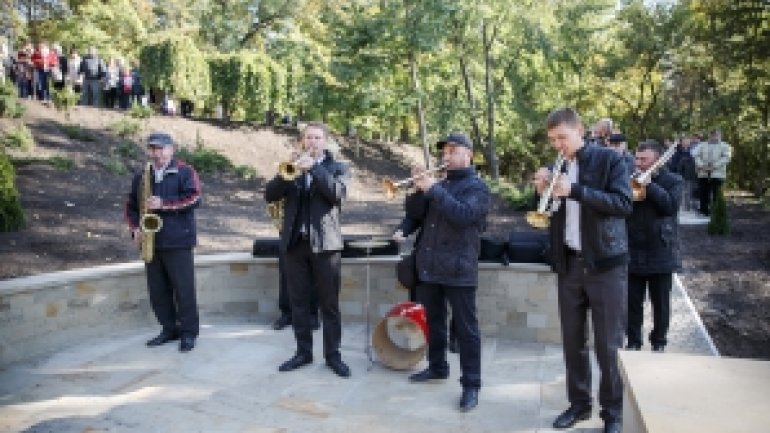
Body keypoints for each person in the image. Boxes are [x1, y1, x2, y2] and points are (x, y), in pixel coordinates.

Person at [534, 108, 631, 433]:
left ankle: (613, 414)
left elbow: (623, 203)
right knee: (573, 341)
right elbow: (549, 212)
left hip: (605, 266)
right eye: (552, 140)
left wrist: (574, 191)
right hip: (570, 264)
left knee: (608, 345)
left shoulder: (609, 160)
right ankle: (579, 405)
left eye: (562, 137)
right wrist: (541, 190)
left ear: (580, 130)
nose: (557, 145)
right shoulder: (557, 166)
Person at [396, 132, 490, 412]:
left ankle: (471, 385)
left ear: (468, 155)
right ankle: (437, 367)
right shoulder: (438, 184)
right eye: (444, 151)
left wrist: (433, 189)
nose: (445, 156)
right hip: (429, 266)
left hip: (459, 268)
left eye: (452, 150)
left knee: (466, 330)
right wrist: (416, 189)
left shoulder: (477, 188)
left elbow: (463, 216)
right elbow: (416, 213)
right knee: (433, 322)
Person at [264, 122, 351, 378]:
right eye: (308, 138)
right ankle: (303, 352)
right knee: (298, 303)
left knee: (330, 305)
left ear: (325, 142)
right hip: (295, 245)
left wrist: (315, 168)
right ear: (302, 141)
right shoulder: (292, 169)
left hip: (326, 245)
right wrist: (284, 174)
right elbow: (270, 195)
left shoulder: (338, 168)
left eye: (317, 138)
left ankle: (333, 355)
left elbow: (338, 194)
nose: (312, 142)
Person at [125, 132, 202, 352]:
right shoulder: (142, 175)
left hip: (178, 240)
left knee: (184, 290)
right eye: (152, 149)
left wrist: (164, 204)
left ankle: (188, 333)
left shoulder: (185, 171)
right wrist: (134, 228)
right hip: (151, 241)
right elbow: (130, 205)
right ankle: (169, 329)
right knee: (158, 290)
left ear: (172, 149)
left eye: (160, 148)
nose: (156, 153)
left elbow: (195, 198)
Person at [626, 140, 683, 352]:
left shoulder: (673, 180)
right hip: (633, 248)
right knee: (632, 303)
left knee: (660, 303)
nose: (638, 163)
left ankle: (659, 343)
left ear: (657, 159)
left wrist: (649, 185)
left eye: (644, 159)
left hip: (661, 250)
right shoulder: (627, 178)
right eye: (637, 159)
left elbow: (670, 207)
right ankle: (633, 342)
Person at [692, 128, 732, 215]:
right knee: (703, 193)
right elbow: (695, 155)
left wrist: (714, 166)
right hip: (703, 173)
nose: (714, 137)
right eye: (712, 135)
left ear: (720, 135)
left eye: (717, 135)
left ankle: (717, 212)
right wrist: (702, 165)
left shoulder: (725, 146)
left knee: (717, 194)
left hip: (717, 174)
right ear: (709, 135)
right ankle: (703, 211)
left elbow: (726, 158)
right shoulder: (702, 145)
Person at [667, 136, 697, 211]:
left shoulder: (693, 151)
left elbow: (695, 163)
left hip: (690, 175)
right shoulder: (677, 151)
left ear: (689, 142)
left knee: (688, 191)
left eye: (687, 141)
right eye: (684, 141)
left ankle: (687, 208)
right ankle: (678, 207)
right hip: (678, 174)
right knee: (679, 191)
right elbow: (673, 163)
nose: (685, 143)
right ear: (681, 142)